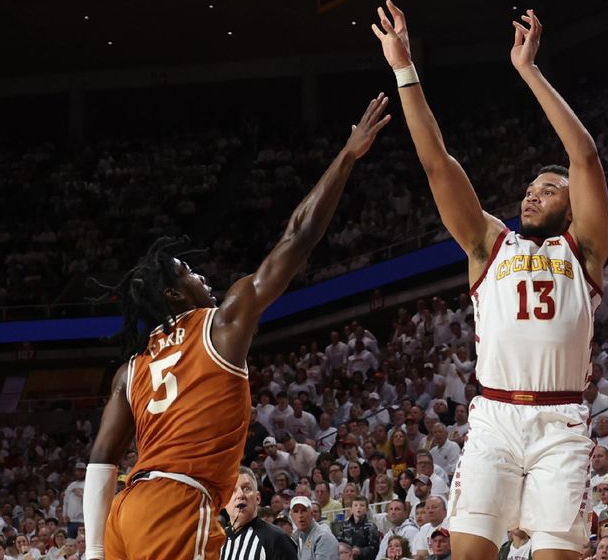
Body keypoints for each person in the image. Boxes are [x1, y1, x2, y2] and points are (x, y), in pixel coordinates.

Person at [82, 95, 391, 560]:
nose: (201, 275)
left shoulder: (132, 368)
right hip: (179, 504)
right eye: (188, 271)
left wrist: (92, 548)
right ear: (171, 294)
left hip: (126, 510)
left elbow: (102, 457)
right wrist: (346, 156)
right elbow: (298, 237)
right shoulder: (222, 322)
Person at [373, 1, 608, 560]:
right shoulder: (489, 243)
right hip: (495, 420)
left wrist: (528, 70)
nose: (533, 193)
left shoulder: (586, 250)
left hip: (561, 422)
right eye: (530, 188)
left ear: (573, 205)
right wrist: (404, 68)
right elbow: (437, 164)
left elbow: (586, 155)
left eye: (549, 188)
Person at [219, 467, 298, 560]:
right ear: (224, 501)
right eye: (233, 490)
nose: (240, 495)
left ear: (258, 498)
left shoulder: (277, 539)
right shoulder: (216, 541)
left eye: (246, 488)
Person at [291, 496, 341, 560]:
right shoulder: (294, 538)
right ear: (291, 516)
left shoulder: (324, 537)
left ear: (311, 514)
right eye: (296, 511)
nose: (300, 515)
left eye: (304, 510)